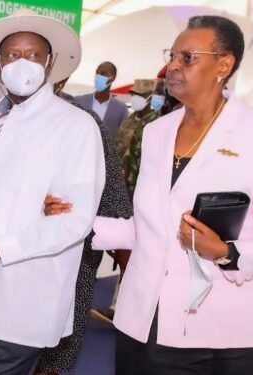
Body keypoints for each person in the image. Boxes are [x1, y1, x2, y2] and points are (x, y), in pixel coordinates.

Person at [49, 15, 253, 374]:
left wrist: (226, 252)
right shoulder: (156, 132)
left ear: (224, 64)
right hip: (145, 320)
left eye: (187, 57)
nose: (172, 66)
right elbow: (151, 224)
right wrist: (76, 218)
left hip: (224, 332)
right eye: (172, 55)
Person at [0, 9, 105, 375]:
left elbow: (75, 220)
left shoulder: (75, 126)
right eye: (12, 55)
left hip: (25, 295)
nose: (22, 63)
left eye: (33, 54)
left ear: (50, 62)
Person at [33, 79, 133, 375]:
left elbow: (112, 186)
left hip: (73, 250)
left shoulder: (84, 121)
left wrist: (122, 243)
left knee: (57, 349)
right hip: (10, 250)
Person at [89, 78, 164, 326]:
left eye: (139, 94)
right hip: (121, 192)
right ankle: (117, 305)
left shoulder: (158, 123)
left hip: (141, 194)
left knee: (134, 255)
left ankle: (128, 308)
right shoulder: (131, 120)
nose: (135, 97)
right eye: (133, 93)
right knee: (122, 252)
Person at [75, 61, 129, 139]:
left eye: (103, 74)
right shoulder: (79, 101)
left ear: (113, 77)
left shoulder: (121, 109)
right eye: (97, 73)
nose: (98, 76)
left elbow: (122, 138)